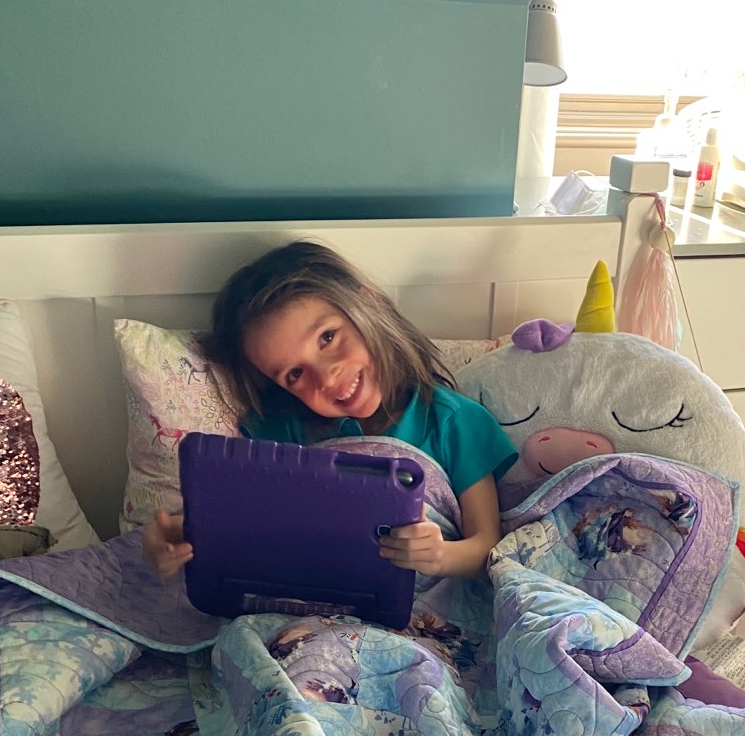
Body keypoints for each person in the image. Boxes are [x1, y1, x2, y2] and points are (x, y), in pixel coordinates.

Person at [143, 241, 517, 584]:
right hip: (316, 602)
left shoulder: (453, 420)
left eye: (327, 337)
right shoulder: (286, 431)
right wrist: (179, 534)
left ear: (368, 304)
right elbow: (246, 521)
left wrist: (439, 556)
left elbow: (487, 546)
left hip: (426, 602)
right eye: (295, 374)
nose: (326, 378)